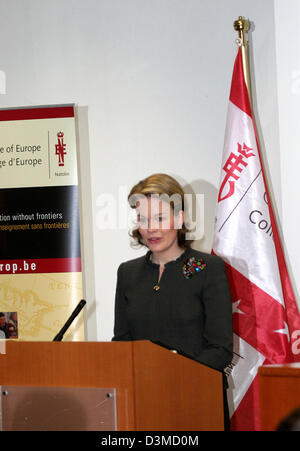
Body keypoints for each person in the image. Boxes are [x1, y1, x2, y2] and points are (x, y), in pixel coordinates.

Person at [112, 173, 233, 372]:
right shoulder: (128, 273)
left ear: (179, 218)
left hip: (196, 392)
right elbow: (122, 343)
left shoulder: (206, 267)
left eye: (159, 218)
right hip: (142, 394)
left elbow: (220, 349)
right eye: (143, 219)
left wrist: (174, 374)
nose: (151, 228)